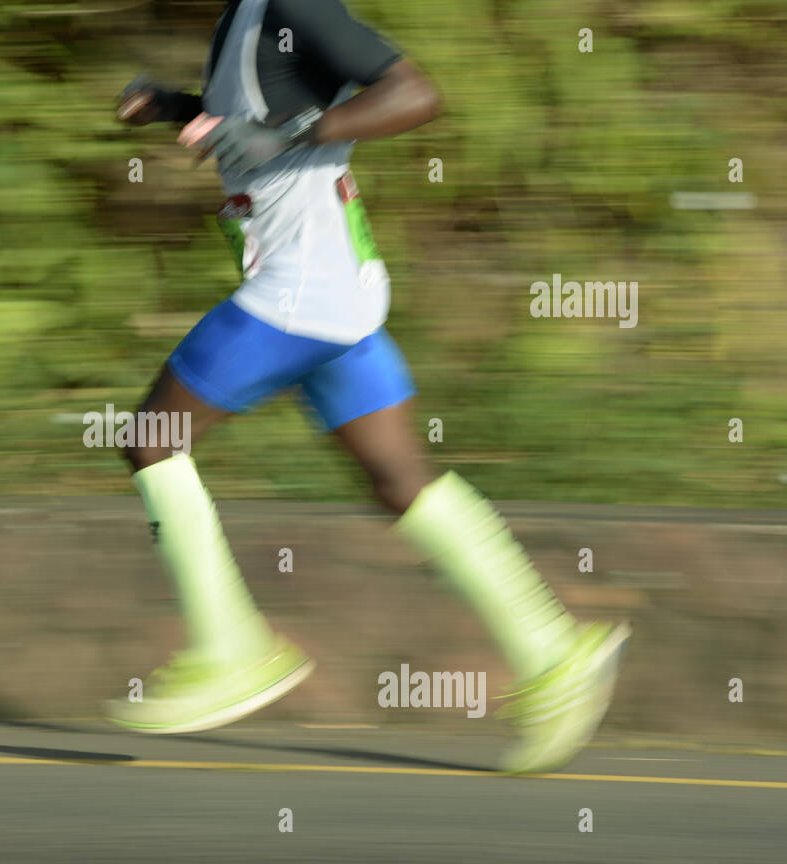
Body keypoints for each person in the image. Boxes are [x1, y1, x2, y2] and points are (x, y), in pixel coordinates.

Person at [105, 0, 628, 773]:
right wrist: (175, 106)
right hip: (339, 294)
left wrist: (286, 134)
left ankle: (232, 648)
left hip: (301, 295)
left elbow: (415, 95)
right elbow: (259, 117)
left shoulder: (294, 4)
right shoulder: (243, 16)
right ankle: (554, 650)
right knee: (398, 482)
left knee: (153, 439)